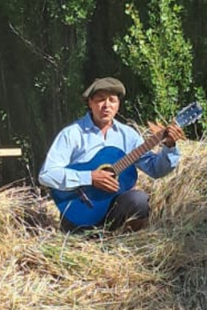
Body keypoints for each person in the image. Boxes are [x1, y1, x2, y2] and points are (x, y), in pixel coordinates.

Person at [39, 77, 185, 233]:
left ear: (118, 105)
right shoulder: (72, 134)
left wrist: (169, 146)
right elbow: (46, 175)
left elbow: (156, 170)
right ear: (90, 103)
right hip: (78, 213)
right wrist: (90, 177)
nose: (106, 105)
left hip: (113, 211)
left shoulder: (128, 136)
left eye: (112, 100)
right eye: (100, 100)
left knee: (139, 200)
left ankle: (120, 242)